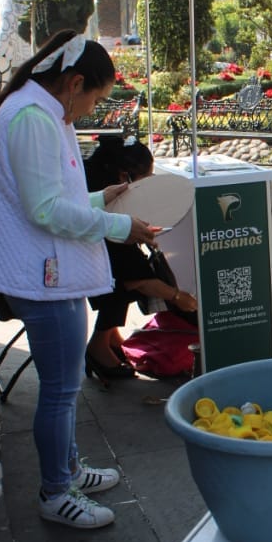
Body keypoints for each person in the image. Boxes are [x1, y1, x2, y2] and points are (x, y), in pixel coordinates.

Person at [0, 31, 157, 530]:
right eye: (94, 99)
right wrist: (122, 226)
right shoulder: (35, 118)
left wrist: (105, 197)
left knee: (62, 389)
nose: (89, 111)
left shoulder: (28, 107)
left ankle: (69, 468)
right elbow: (45, 210)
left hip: (40, 269)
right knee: (59, 391)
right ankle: (56, 491)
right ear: (74, 82)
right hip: (41, 275)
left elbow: (51, 197)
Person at [82, 136, 197, 380]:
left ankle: (110, 334)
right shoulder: (107, 217)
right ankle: (98, 346)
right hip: (77, 269)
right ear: (125, 178)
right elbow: (138, 280)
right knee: (122, 282)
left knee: (126, 273)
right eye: (147, 181)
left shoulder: (97, 187)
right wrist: (178, 297)